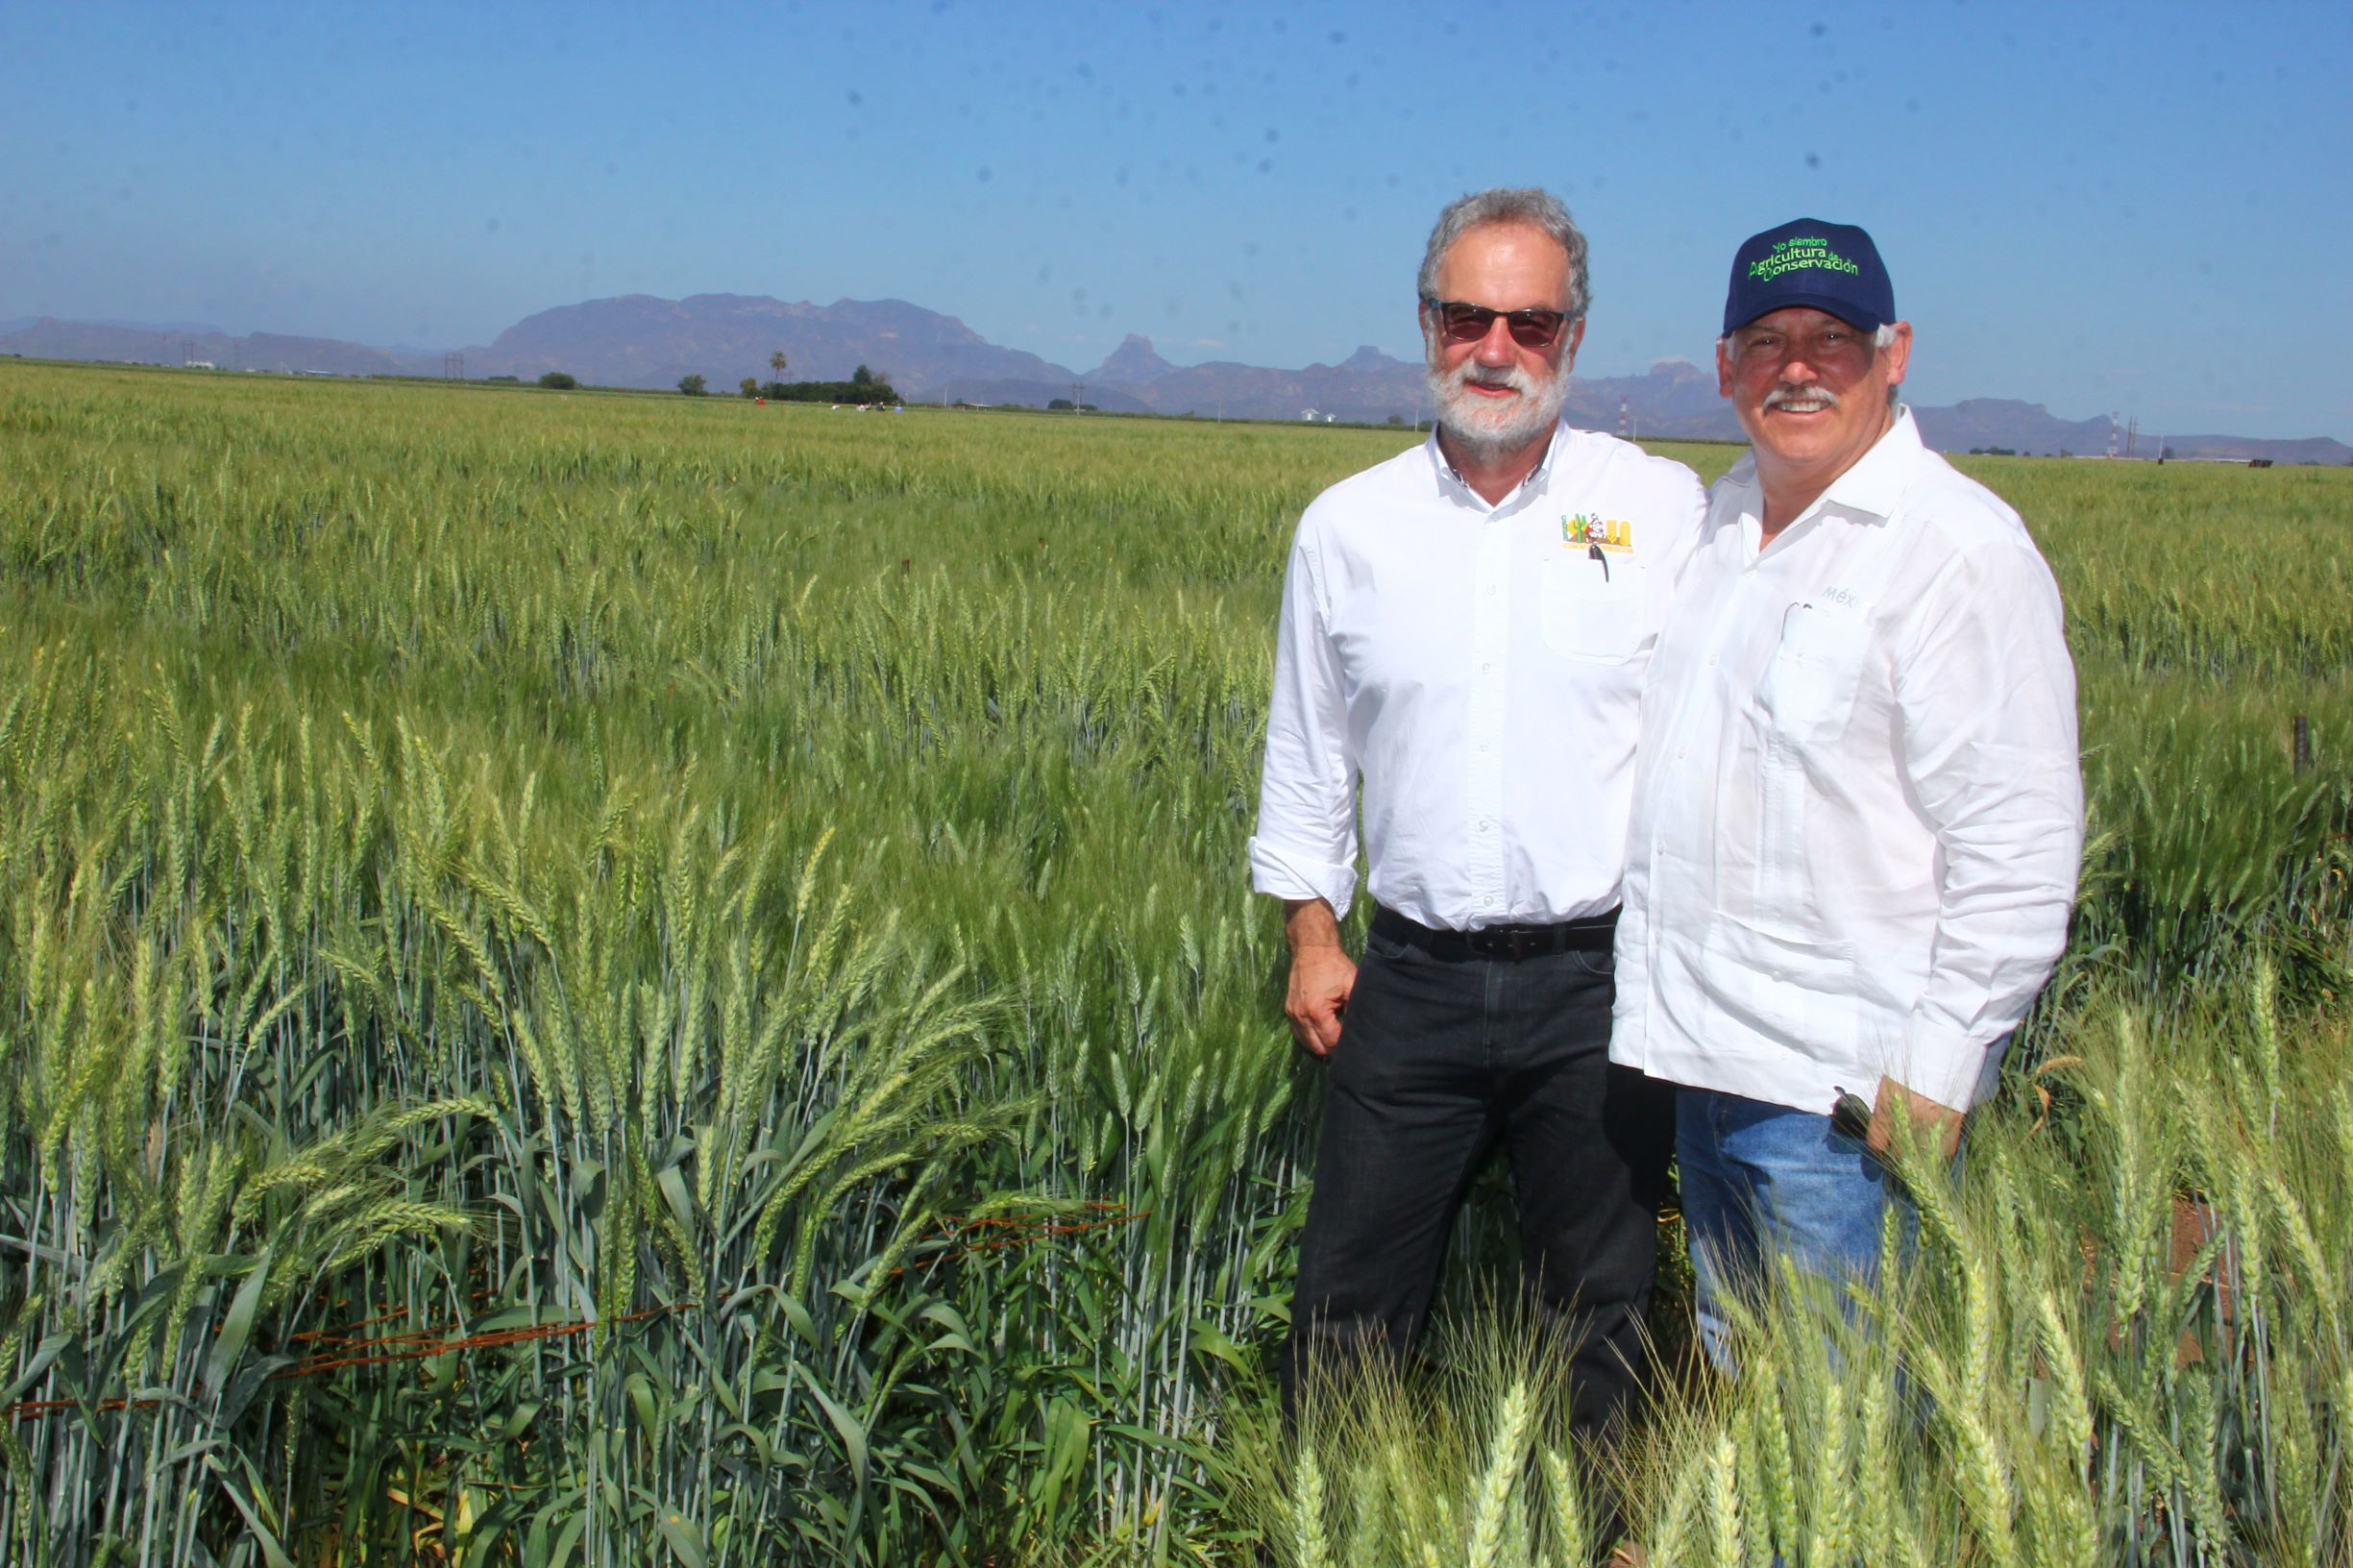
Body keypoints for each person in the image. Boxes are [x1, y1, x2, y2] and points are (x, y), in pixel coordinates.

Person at [1249, 187, 1706, 1443]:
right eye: (1467, 316)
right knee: (1348, 1306)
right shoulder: (1348, 527)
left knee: (1599, 1308)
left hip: (1595, 992)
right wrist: (1310, 934)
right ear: (1424, 321)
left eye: (1530, 322)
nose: (1494, 348)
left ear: (1572, 336)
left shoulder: (1662, 511)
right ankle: (1333, 1524)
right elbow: (1307, 746)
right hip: (1409, 989)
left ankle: (1586, 1525)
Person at [1610, 219, 2083, 1363]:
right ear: (1725, 367)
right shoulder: (1714, 527)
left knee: (1848, 1439)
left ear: (1894, 352)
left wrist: (1939, 1063)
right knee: (1757, 1399)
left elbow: (2018, 839)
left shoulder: (1956, 551)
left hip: (1847, 1106)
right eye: (1766, 341)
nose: (1798, 365)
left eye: (1833, 337)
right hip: (1703, 1071)